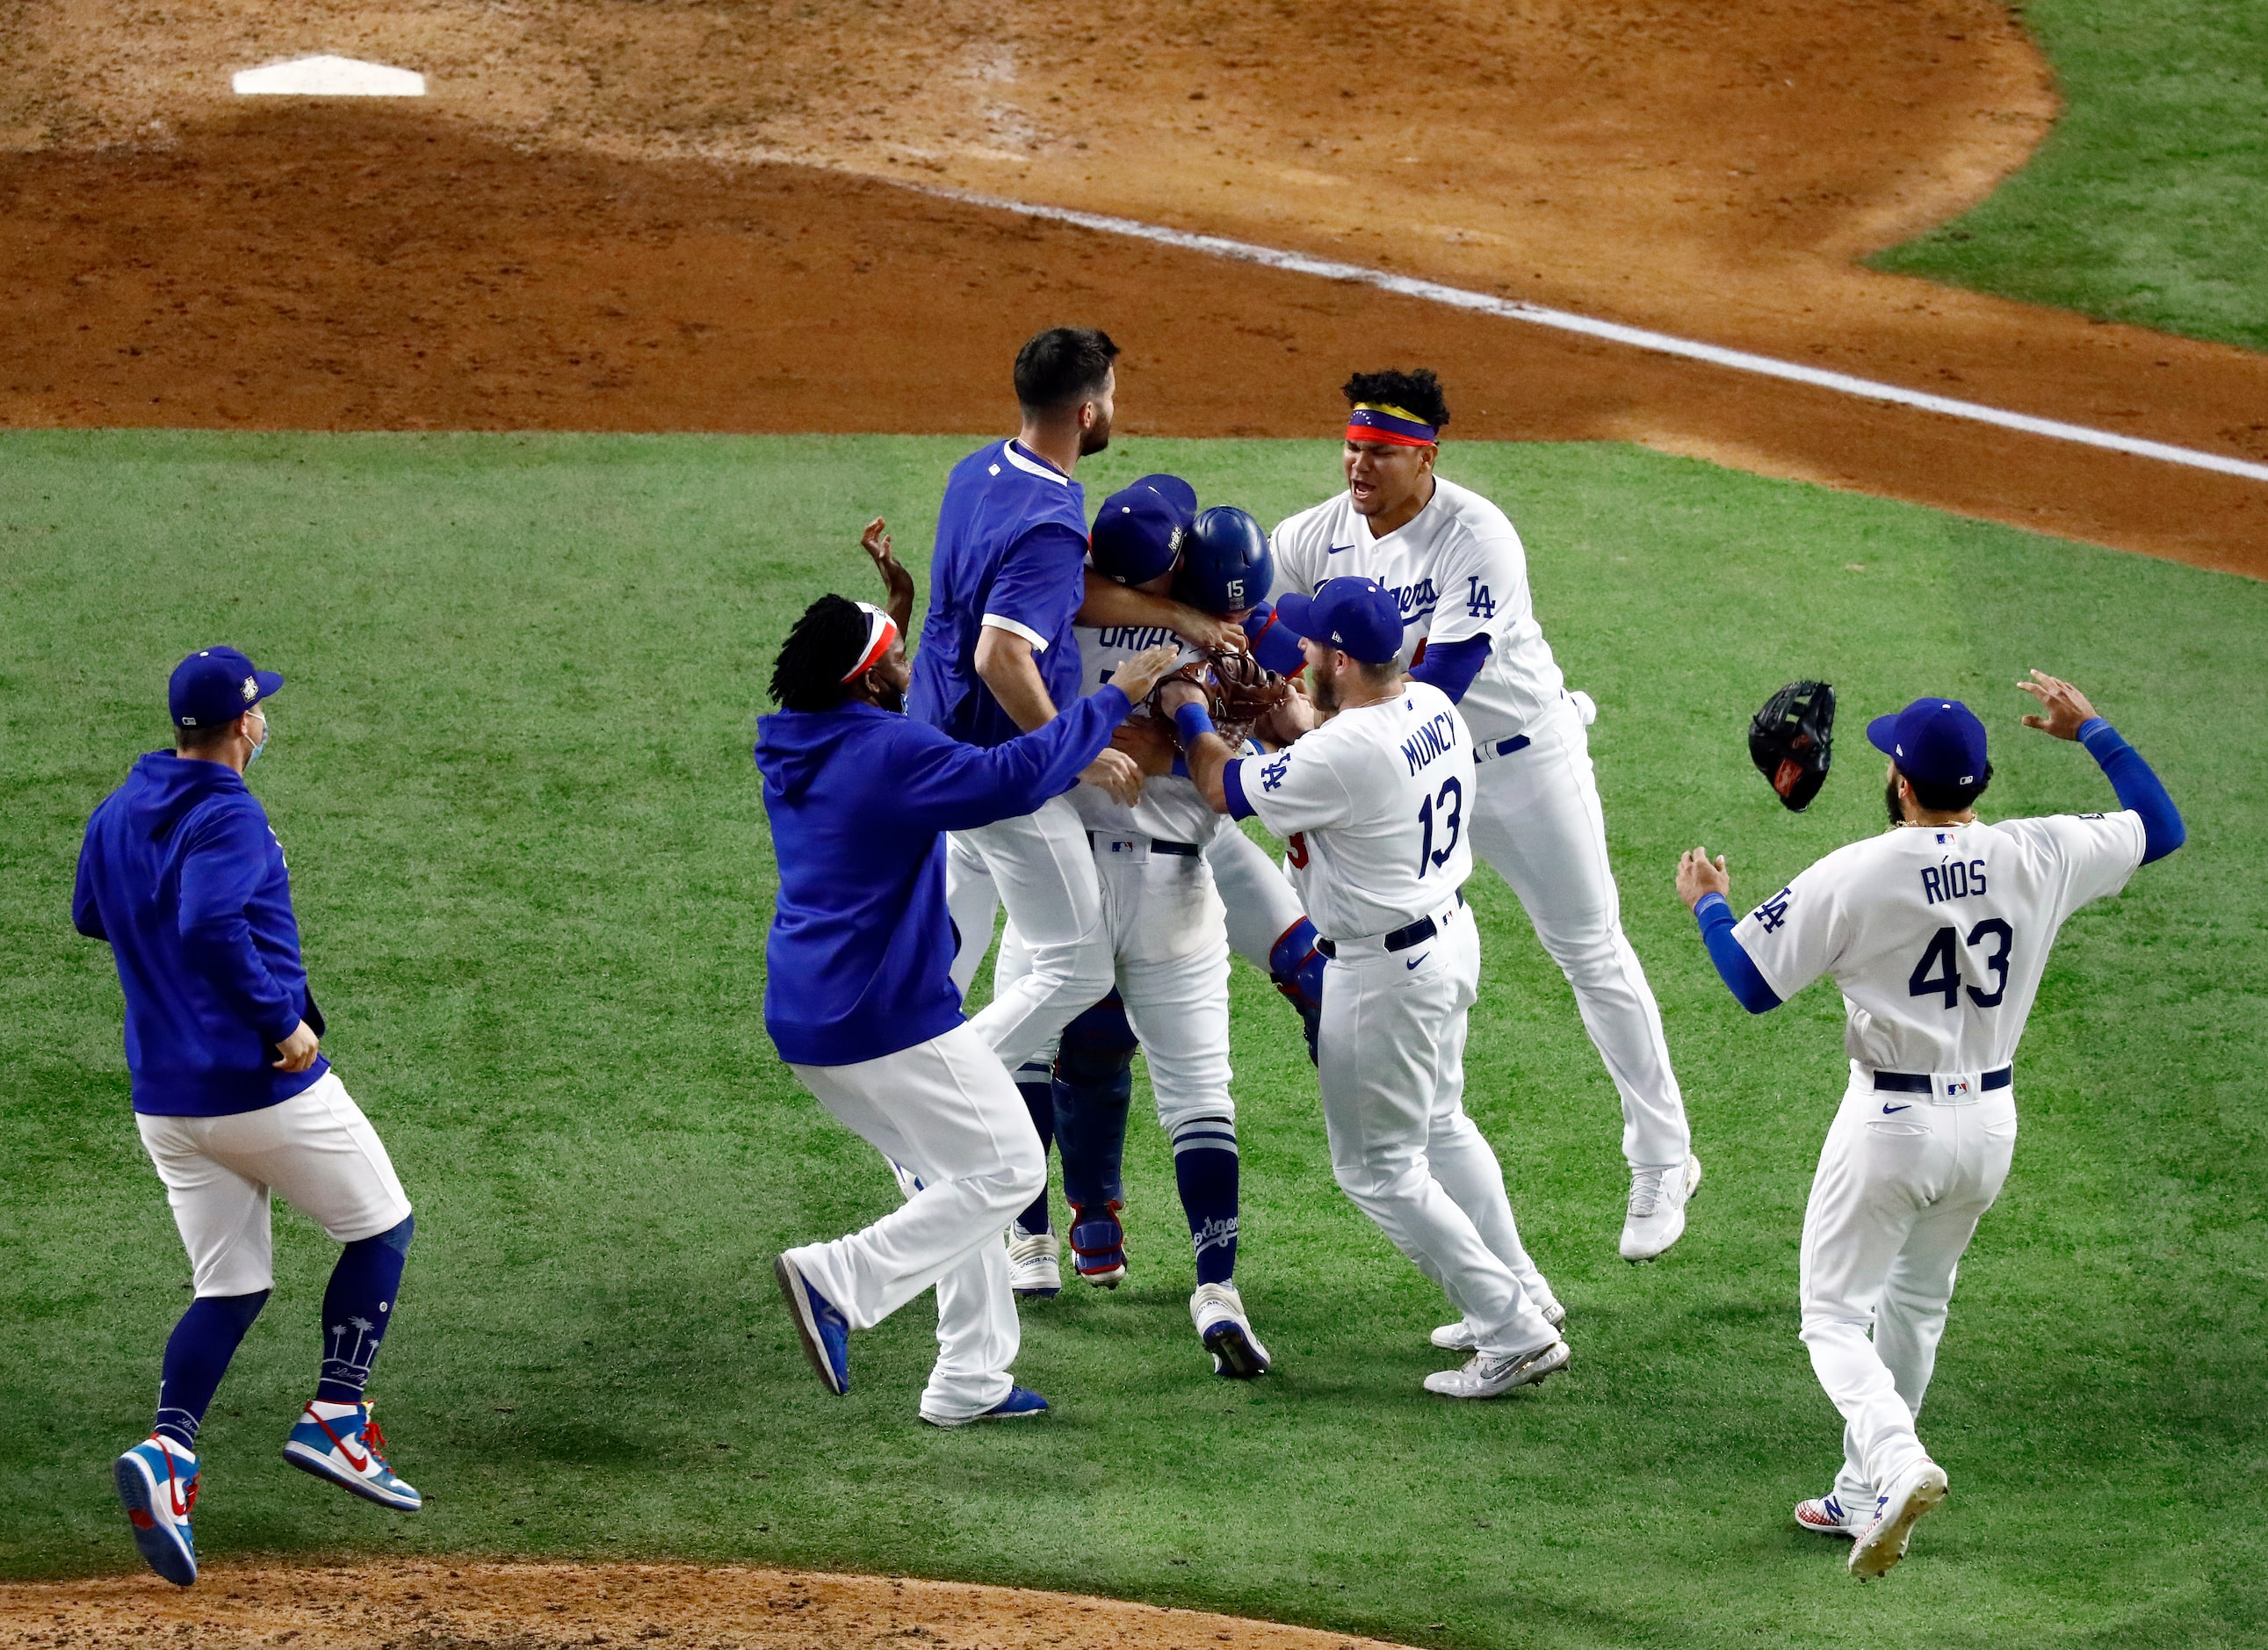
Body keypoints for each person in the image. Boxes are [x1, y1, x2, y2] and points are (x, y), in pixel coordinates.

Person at [1674, 672, 2183, 1579]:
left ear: (1901, 784)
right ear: (1979, 783)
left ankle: (1897, 1457)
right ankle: (1863, 1490)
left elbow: (1749, 983)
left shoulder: (1857, 870)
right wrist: (2093, 731)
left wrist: (1709, 901)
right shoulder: (2044, 850)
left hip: (1891, 1122)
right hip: (1987, 1124)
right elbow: (2160, 825)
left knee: (1831, 1316)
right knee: (1915, 1303)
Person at [1270, 369, 1699, 1264]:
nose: (1358, 467)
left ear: (1423, 458)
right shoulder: (1310, 537)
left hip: (1517, 762)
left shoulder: (1476, 534)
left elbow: (1447, 683)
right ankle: (1442, 1138)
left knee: (1588, 947)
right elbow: (1273, 643)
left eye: (1380, 455)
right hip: (1410, 776)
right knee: (1402, 940)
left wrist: (1325, 749)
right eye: (1350, 448)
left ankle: (1662, 1156)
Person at [762, 520, 1180, 1425]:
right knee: (1006, 1168)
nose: (909, 667)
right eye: (895, 657)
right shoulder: (890, 754)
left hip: (806, 1018)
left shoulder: (800, 738)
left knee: (958, 1179)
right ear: (870, 682)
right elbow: (1012, 775)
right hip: (885, 1020)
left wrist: (896, 612)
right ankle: (838, 1278)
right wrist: (1116, 695)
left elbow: (877, 717)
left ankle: (968, 1380)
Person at [1171, 576, 1571, 1399]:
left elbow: (1223, 787)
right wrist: (1288, 711)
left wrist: (1190, 711)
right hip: (1447, 941)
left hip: (1384, 972)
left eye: (1314, 647)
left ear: (1344, 661)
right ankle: (1522, 1287)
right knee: (1441, 1124)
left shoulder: (1344, 751)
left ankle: (1512, 1328)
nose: (1303, 654)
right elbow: (1333, 746)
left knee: (1377, 1170)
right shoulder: (1430, 705)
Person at [75, 648, 420, 1589]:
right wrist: (282, 1024)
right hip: (257, 1088)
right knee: (382, 1225)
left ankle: (169, 1455)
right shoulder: (228, 813)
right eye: (259, 709)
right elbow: (206, 924)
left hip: (166, 1103)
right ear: (238, 726)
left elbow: (90, 915)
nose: (265, 721)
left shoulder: (120, 807)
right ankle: (338, 1417)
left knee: (229, 1288)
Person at [979, 486, 1282, 1374]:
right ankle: (1216, 1287)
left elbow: (1050, 623)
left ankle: (1028, 1241)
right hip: (1172, 884)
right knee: (1197, 1092)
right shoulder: (1221, 637)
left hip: (1061, 874)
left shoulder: (1051, 617)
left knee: (1014, 1057)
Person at [907, 327, 1146, 1089]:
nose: (1115, 405)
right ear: (1084, 414)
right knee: (1077, 966)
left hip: (934, 746)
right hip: (1001, 770)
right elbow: (999, 655)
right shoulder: (1050, 520)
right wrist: (1070, 746)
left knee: (949, 953)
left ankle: (906, 1097)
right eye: (1108, 394)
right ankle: (943, 1109)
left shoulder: (977, 470)